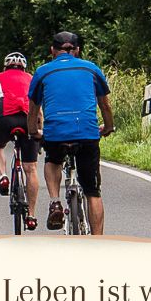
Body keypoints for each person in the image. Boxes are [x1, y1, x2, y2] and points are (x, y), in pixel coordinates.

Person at [27, 30, 114, 233]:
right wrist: (108, 127)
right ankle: (98, 242)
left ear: (52, 51)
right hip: (87, 133)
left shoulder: (43, 72)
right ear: (78, 50)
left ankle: (55, 202)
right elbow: (105, 106)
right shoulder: (91, 69)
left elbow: (32, 110)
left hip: (56, 132)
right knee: (93, 191)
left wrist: (34, 132)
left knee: (53, 160)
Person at [0, 51, 38, 230]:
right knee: (31, 168)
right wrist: (38, 129)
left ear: (5, 66)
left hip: (5, 119)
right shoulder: (32, 78)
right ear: (24, 67)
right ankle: (31, 216)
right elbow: (37, 108)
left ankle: (3, 176)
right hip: (27, 120)